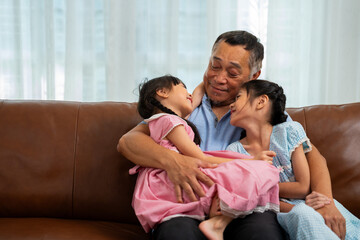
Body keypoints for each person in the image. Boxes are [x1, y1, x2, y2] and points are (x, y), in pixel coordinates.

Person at [117, 30, 345, 239]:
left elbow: (312, 156)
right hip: (187, 202)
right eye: (214, 66)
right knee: (177, 234)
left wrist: (325, 202)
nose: (219, 78)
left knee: (262, 233)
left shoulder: (260, 112)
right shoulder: (183, 105)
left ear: (254, 76)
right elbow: (129, 142)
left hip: (242, 206)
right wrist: (176, 162)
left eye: (233, 72)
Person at [130, 75, 280, 236]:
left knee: (258, 173)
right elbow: (200, 158)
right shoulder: (170, 122)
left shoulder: (165, 121)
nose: (190, 95)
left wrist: (203, 85)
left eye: (232, 73)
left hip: (173, 182)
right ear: (162, 92)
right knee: (264, 170)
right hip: (178, 177)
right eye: (183, 88)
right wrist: (249, 161)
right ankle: (220, 216)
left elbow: (192, 98)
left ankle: (221, 213)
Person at [224, 79, 360, 240]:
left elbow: (302, 186)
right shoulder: (233, 151)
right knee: (301, 214)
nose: (231, 105)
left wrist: (262, 187)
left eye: (238, 97)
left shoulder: (289, 131)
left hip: (314, 205)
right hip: (282, 213)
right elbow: (247, 195)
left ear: (261, 101)